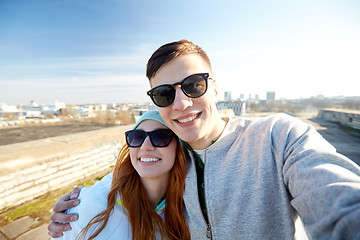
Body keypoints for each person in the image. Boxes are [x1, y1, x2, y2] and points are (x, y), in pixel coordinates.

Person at [49, 40, 360, 239]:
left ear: (215, 89)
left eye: (193, 85)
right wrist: (80, 203)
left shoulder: (277, 137)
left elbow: (337, 198)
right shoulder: (170, 149)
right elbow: (133, 169)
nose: (181, 103)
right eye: (164, 93)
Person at [51, 110, 190, 240]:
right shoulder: (90, 203)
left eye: (161, 137)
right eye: (137, 137)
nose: (145, 146)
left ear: (179, 149)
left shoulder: (189, 207)